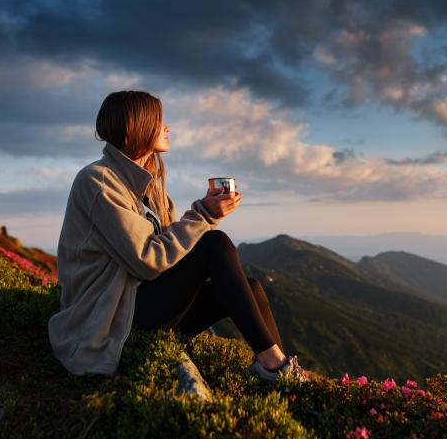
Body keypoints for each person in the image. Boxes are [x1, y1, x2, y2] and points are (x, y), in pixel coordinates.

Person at [48, 90, 307, 383]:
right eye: (160, 122)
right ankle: (276, 367)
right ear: (139, 125)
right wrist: (204, 216)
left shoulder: (151, 185)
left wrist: (206, 213)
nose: (167, 128)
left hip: (142, 304)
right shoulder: (97, 180)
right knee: (215, 243)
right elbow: (146, 261)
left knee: (252, 288)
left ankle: (278, 374)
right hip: (110, 316)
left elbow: (173, 253)